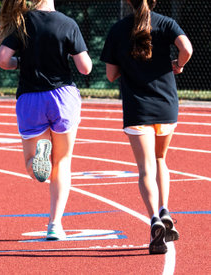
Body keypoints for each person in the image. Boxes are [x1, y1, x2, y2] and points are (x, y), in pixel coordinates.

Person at [0, 0, 92, 240]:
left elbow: (1, 59)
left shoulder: (22, 23)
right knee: (63, 162)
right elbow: (85, 67)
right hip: (62, 96)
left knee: (31, 161)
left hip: (31, 98)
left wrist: (19, 63)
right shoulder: (68, 23)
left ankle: (38, 161)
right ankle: (55, 225)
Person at [100, 0, 192, 254]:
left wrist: (128, 66)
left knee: (145, 168)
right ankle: (164, 210)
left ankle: (154, 219)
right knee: (161, 159)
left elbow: (110, 75)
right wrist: (179, 65)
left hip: (137, 108)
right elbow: (186, 48)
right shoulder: (165, 23)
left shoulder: (118, 29)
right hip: (165, 105)